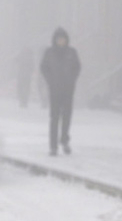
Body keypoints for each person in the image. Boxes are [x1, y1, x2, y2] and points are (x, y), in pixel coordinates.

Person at [40, 27, 81, 156]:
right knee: (54, 118)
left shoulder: (71, 53)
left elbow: (77, 67)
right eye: (59, 39)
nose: (61, 41)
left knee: (67, 117)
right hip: (54, 90)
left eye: (63, 39)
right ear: (55, 40)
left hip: (68, 90)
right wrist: (50, 80)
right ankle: (53, 146)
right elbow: (43, 67)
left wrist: (72, 79)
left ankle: (64, 139)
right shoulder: (50, 52)